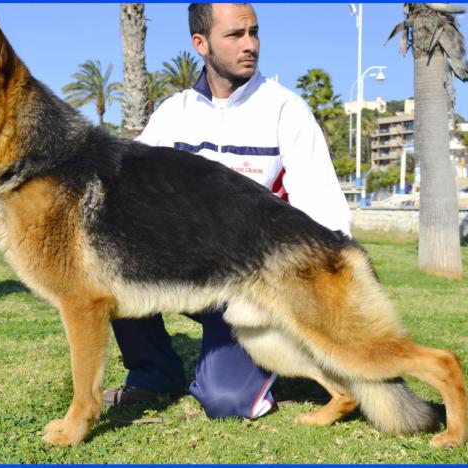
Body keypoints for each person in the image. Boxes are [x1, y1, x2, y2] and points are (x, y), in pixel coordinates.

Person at [104, 3, 351, 420]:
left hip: (251, 285)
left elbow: (324, 211)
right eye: (235, 36)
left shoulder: (285, 110)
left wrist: (322, 298)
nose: (250, 45)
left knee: (226, 400)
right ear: (200, 44)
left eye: (254, 33)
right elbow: (128, 187)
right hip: (185, 273)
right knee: (109, 260)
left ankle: (266, 358)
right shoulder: (174, 113)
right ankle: (153, 373)